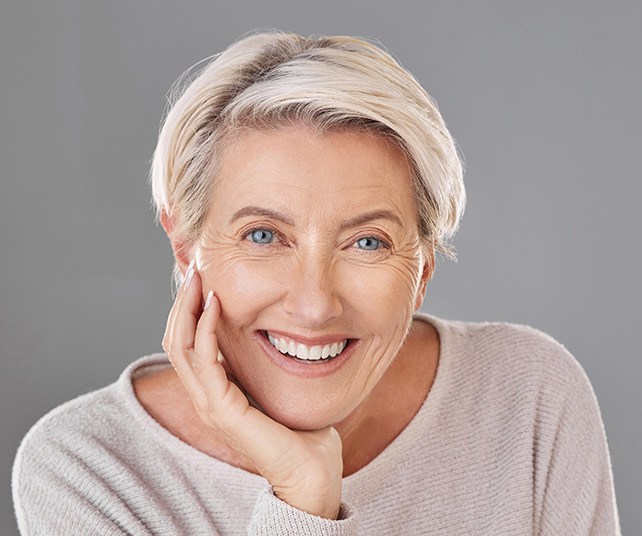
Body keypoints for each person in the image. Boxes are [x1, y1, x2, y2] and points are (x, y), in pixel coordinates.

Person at [12, 31, 620, 535]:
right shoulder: (87, 469)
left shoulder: (526, 396)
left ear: (423, 269)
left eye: (367, 242)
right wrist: (301, 499)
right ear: (185, 247)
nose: (313, 305)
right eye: (262, 235)